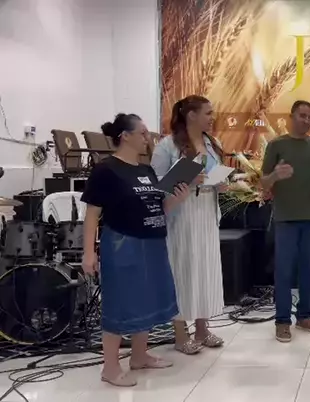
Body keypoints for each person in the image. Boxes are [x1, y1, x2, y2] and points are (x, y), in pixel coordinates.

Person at [81, 113, 192, 387]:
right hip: (123, 243)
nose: (147, 138)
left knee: (147, 299)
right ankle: (110, 367)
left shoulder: (146, 170)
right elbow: (92, 214)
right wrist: (88, 253)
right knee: (120, 303)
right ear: (125, 136)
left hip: (153, 242)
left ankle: (139, 356)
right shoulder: (106, 170)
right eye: (142, 133)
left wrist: (176, 200)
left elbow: (157, 209)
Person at [151, 95, 228, 355]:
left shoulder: (212, 143)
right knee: (182, 269)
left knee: (204, 269)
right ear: (192, 115)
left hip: (206, 212)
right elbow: (156, 183)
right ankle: (180, 333)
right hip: (181, 214)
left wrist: (221, 182)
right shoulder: (167, 145)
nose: (212, 117)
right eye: (208, 113)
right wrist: (187, 180)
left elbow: (215, 174)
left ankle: (203, 329)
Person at [260, 100, 310, 342]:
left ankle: (305, 316)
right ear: (291, 116)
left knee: (308, 271)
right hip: (285, 217)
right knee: (284, 271)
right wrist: (275, 175)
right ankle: (282, 321)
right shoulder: (276, 145)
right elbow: (263, 183)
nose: (307, 121)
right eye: (302, 115)